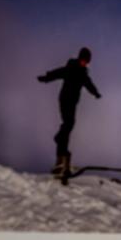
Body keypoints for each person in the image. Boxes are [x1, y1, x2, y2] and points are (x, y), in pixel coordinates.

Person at [37, 46, 102, 179]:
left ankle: (61, 156)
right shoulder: (71, 67)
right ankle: (60, 147)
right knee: (68, 124)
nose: (84, 63)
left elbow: (89, 85)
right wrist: (46, 77)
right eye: (83, 60)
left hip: (73, 103)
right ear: (80, 58)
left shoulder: (84, 74)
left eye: (87, 61)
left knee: (68, 126)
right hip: (64, 100)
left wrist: (96, 93)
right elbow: (58, 73)